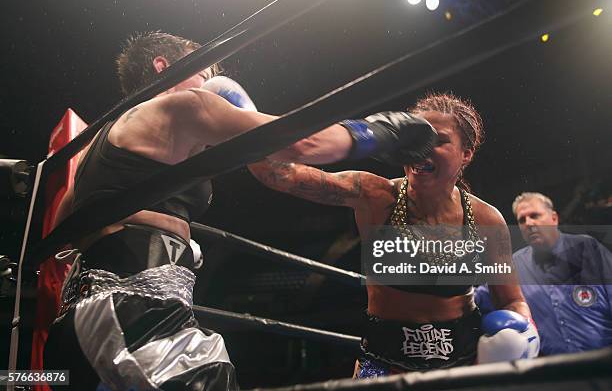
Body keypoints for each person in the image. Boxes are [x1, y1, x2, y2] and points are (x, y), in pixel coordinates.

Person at [42, 31, 437, 390]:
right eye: (203, 72)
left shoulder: (98, 145)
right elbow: (301, 144)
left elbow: (60, 230)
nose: (210, 85)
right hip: (133, 313)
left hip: (80, 323)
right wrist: (383, 131)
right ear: (163, 66)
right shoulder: (180, 106)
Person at [248, 93, 539, 377]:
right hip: (385, 364)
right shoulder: (376, 196)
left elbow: (512, 300)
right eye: (413, 139)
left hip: (462, 364)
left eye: (438, 141)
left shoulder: (487, 220)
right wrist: (241, 113)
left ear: (466, 154)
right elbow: (280, 174)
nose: (422, 149)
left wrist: (522, 332)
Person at [476, 192, 612, 356]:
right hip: (550, 373)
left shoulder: (588, 249)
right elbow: (476, 301)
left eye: (535, 216)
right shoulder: (515, 265)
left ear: (554, 218)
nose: (529, 223)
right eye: (522, 220)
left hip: (603, 366)